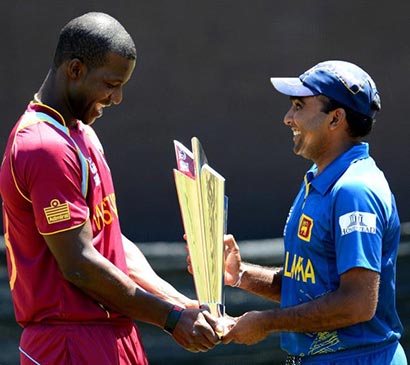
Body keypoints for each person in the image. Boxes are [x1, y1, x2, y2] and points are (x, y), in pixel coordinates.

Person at [0, 12, 220, 365]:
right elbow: (80, 264)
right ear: (75, 70)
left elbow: (110, 241)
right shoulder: (43, 146)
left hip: (113, 332)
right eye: (111, 84)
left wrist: (178, 302)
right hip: (67, 342)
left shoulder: (82, 134)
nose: (116, 98)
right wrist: (171, 319)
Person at [219, 60, 407, 364]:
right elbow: (311, 289)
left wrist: (267, 322)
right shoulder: (319, 180)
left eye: (298, 106)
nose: (287, 118)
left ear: (335, 119)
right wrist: (242, 275)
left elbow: (357, 304)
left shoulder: (355, 190)